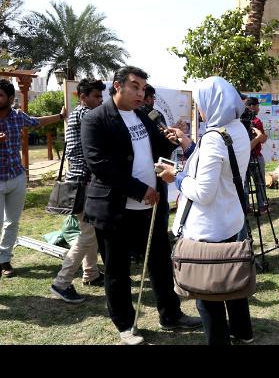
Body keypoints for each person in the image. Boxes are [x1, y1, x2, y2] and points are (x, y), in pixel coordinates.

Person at [80, 65, 202, 345]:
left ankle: (171, 316)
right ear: (118, 86)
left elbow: (155, 149)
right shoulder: (96, 119)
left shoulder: (142, 115)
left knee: (160, 263)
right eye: (134, 86)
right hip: (115, 209)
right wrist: (139, 190)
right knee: (117, 270)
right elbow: (100, 165)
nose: (140, 93)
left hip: (151, 206)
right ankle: (125, 325)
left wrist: (171, 139)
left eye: (143, 88)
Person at [156, 76, 254, 345]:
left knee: (208, 294)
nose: (198, 109)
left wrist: (175, 176)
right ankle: (243, 332)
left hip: (208, 225)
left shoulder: (213, 137)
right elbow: (222, 166)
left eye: (199, 103)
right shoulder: (236, 129)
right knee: (231, 277)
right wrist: (188, 144)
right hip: (230, 218)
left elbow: (202, 192)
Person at [0, 79, 67, 279]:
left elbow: (37, 121)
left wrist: (60, 116)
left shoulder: (18, 116)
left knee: (12, 222)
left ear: (11, 99)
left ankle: (5, 260)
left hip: (16, 177)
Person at [49, 78, 106, 303]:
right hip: (83, 183)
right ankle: (61, 283)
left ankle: (90, 273)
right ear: (83, 98)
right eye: (95, 97)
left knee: (89, 230)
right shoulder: (85, 115)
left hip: (80, 182)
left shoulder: (81, 114)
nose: (100, 101)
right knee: (87, 233)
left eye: (102, 97)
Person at [244, 96, 268, 213]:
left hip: (243, 158)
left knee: (245, 183)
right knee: (260, 183)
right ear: (252, 106)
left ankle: (246, 207)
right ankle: (262, 206)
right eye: (258, 106)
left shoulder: (240, 121)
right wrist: (261, 136)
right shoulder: (256, 121)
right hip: (255, 156)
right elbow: (262, 139)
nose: (259, 108)